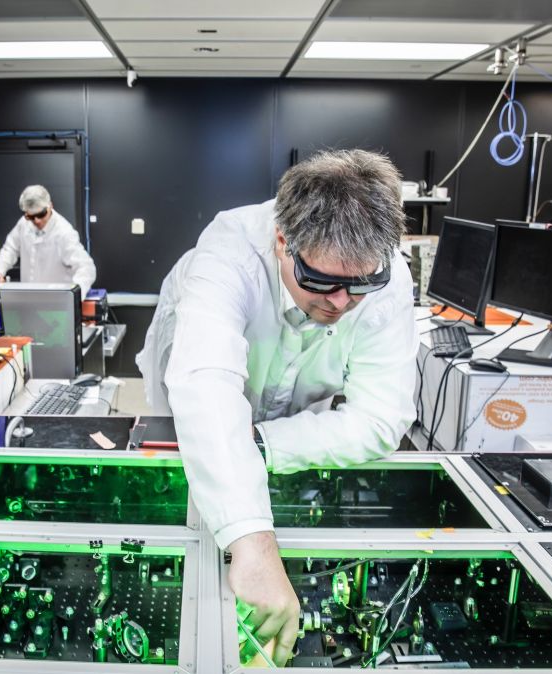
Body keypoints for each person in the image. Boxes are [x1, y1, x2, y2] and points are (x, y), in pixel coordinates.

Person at [136, 149, 417, 666]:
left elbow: (382, 418)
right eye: (322, 280)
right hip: (198, 388)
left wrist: (263, 444)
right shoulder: (229, 252)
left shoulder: (388, 275)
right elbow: (207, 384)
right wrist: (251, 543)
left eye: (359, 286)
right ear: (283, 242)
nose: (339, 302)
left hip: (290, 421)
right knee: (193, 462)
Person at [0, 184, 96, 295]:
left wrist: (73, 297)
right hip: (28, 299)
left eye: (41, 214)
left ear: (50, 206)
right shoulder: (23, 224)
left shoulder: (64, 233)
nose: (37, 221)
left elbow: (87, 268)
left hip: (56, 302)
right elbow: (9, 250)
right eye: (31, 217)